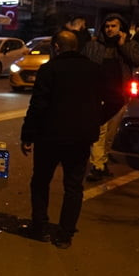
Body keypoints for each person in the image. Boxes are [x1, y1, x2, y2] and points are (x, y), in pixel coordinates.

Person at [19, 30, 104, 249]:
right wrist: (95, 120)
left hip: (50, 136)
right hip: (80, 137)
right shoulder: (93, 70)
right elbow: (112, 97)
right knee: (74, 186)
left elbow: (38, 105)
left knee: (40, 181)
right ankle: (65, 234)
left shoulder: (49, 70)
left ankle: (40, 226)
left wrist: (27, 135)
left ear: (57, 47)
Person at [83, 13, 139, 181]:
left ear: (121, 28)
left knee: (110, 133)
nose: (109, 29)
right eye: (107, 26)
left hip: (119, 96)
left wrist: (123, 45)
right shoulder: (94, 46)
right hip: (98, 96)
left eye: (113, 26)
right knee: (99, 131)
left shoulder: (130, 45)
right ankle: (97, 165)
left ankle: (103, 161)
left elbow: (138, 61)